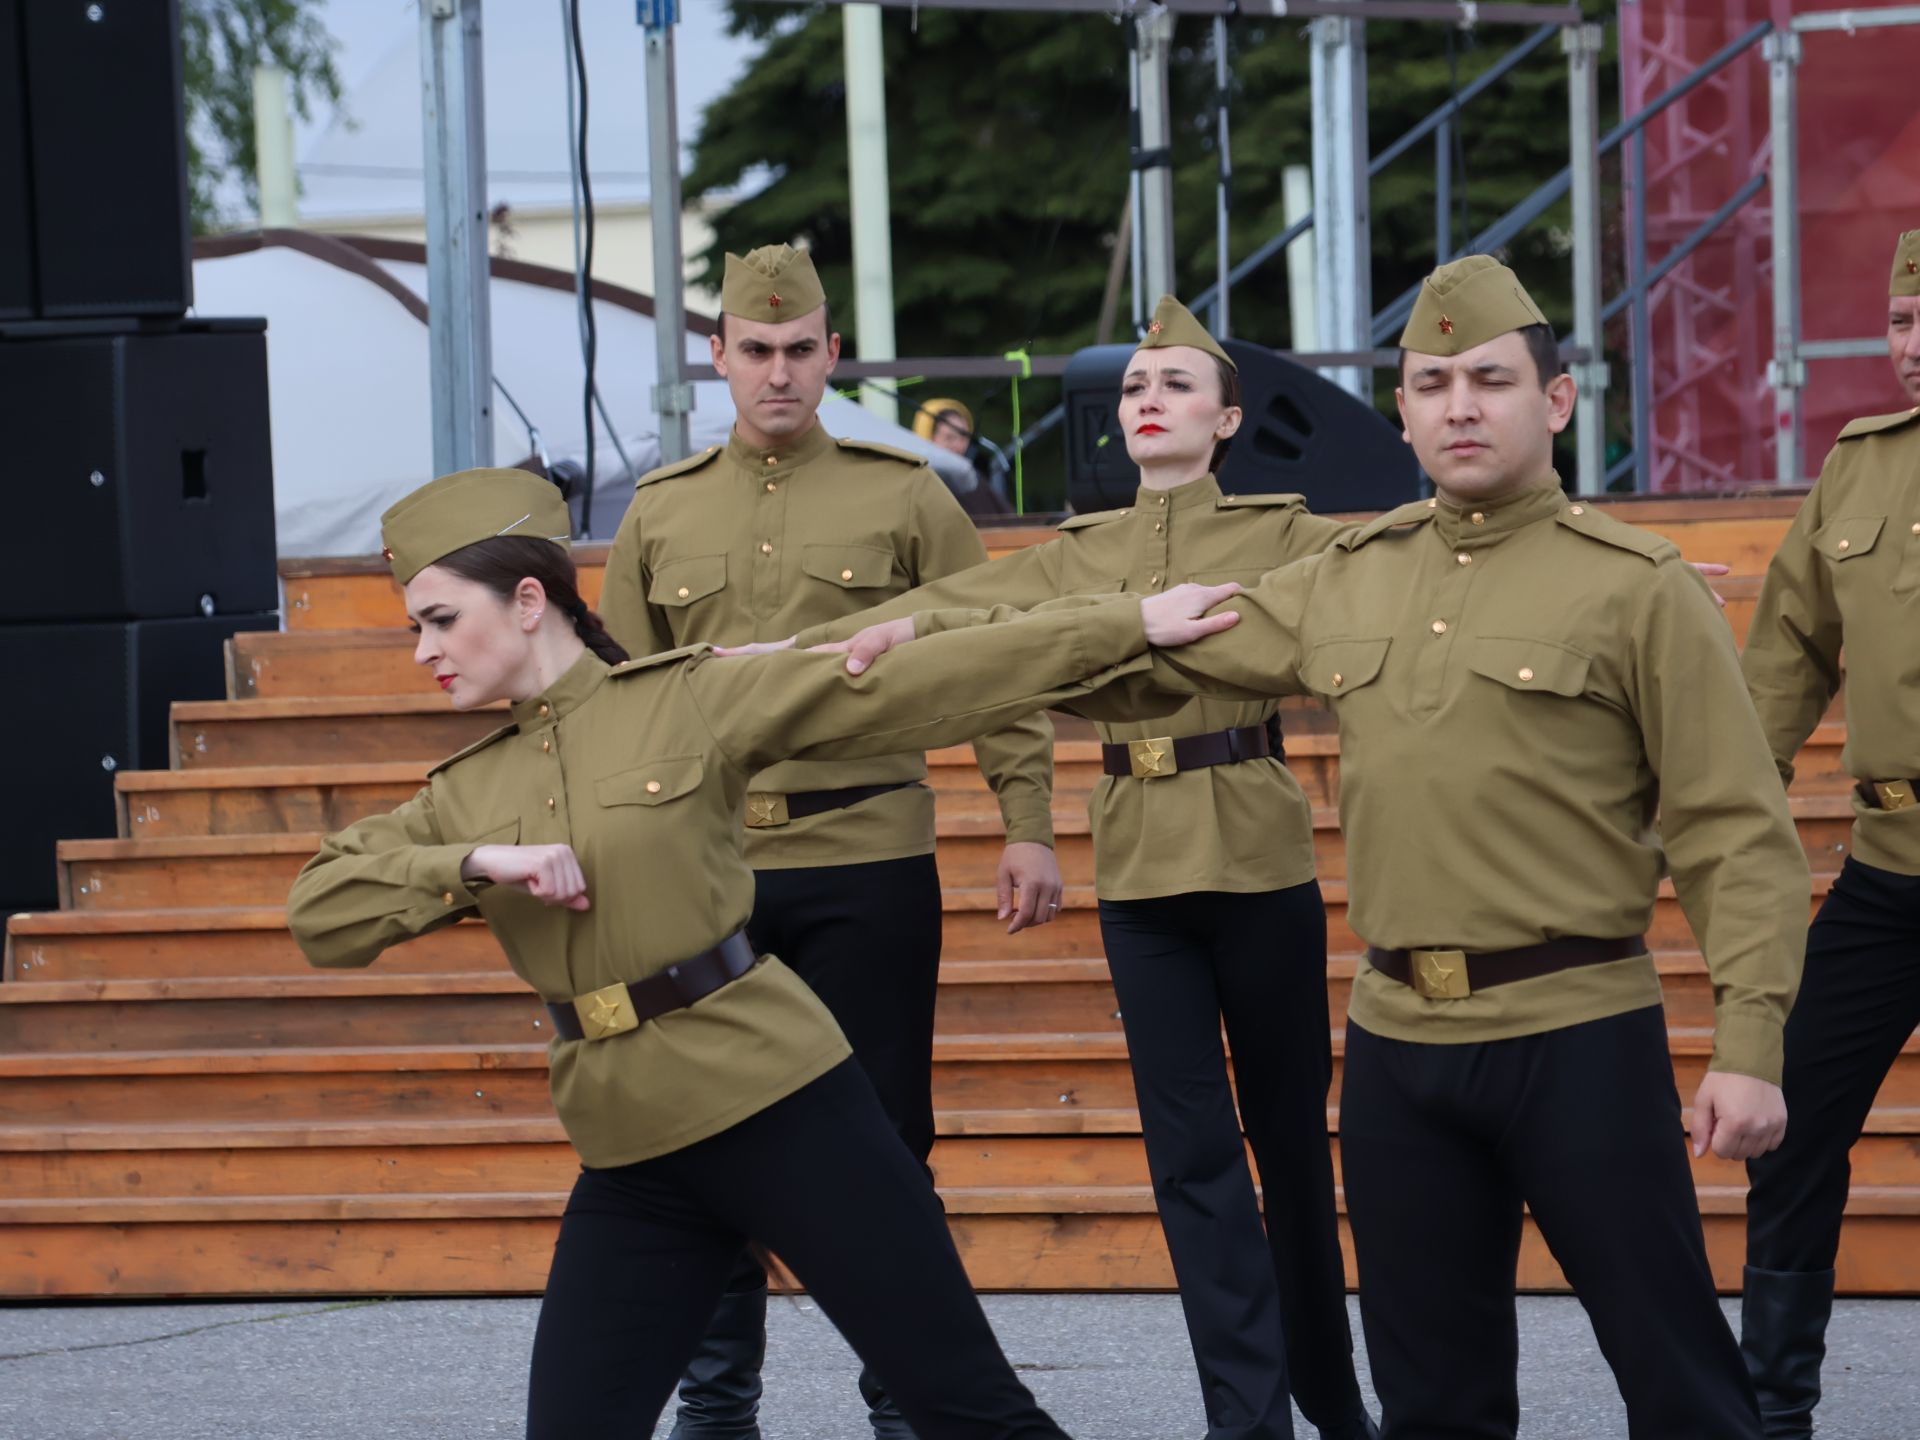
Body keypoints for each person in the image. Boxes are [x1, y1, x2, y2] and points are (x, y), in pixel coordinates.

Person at [827, 257, 1811, 1439]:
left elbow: (1733, 830)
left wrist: (1752, 1044)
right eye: (1432, 381)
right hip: (1398, 1048)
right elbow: (1133, 660)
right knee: (1433, 1398)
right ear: (1400, 410)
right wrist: (910, 641)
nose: (1458, 404)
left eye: (1490, 380)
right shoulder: (1352, 577)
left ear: (1554, 403)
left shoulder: (1639, 588)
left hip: (1577, 1034)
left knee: (1680, 1384)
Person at [285, 466, 1236, 1439]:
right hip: (633, 1151)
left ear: (529, 602)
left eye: (440, 620)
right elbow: (323, 909)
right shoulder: (462, 794)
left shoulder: (688, 698)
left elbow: (913, 681)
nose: (422, 652)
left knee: (969, 1412)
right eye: (416, 627)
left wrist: (1124, 626)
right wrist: (475, 862)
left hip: (782, 1111)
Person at [770, 296, 1377, 1440]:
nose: (1149, 400)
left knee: (1292, 1148)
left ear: (1229, 418)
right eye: (1138, 387)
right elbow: (955, 608)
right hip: (1140, 870)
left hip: (1255, 853)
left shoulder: (1288, 531)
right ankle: (1245, 1420)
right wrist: (830, 645)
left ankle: (1332, 1398)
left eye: (1177, 386)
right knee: (1192, 1162)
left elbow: (1408, 567)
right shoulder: (1079, 553)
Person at [599, 244, 1062, 1438]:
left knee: (885, 1145)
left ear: (833, 356)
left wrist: (1025, 826)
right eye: (756, 351)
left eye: (801, 350)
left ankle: (904, 1400)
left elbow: (995, 658)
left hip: (865, 858)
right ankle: (718, 1405)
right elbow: (612, 708)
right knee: (699, 1134)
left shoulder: (908, 495)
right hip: (704, 879)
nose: (779, 373)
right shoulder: (660, 510)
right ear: (719, 359)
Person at [1737, 227, 1920, 1437]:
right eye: (1902, 323)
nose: (1913, 347)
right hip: (1890, 871)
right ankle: (1770, 1411)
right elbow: (1785, 661)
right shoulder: (1856, 470)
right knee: (1790, 1124)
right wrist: (1718, 802)